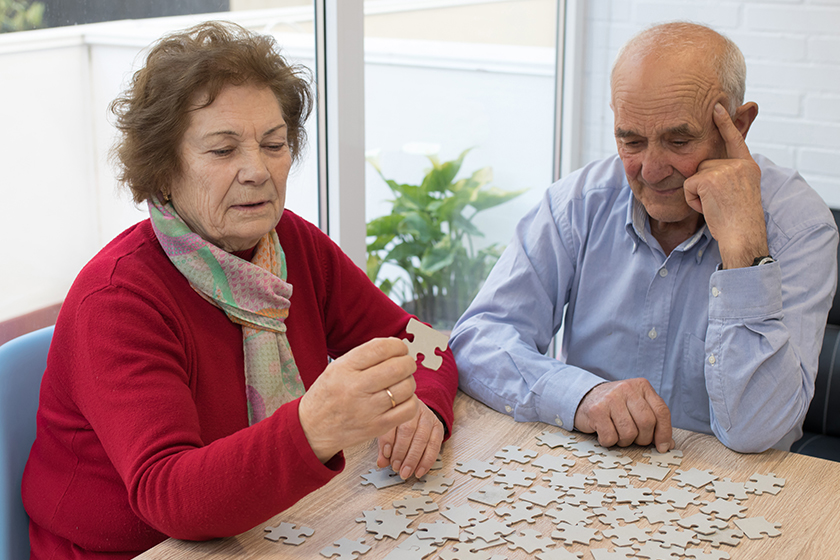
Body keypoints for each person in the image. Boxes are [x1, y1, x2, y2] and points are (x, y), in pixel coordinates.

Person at [22, 21, 457, 559]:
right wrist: (314, 427)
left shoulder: (293, 244)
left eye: (274, 144)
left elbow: (421, 344)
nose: (258, 170)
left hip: (268, 528)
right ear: (162, 169)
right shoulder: (116, 301)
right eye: (224, 150)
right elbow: (169, 496)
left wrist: (428, 410)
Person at [450, 21, 838, 456]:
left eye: (678, 140)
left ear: (739, 125)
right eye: (631, 140)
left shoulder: (799, 225)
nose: (651, 171)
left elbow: (757, 430)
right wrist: (582, 396)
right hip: (588, 473)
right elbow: (477, 340)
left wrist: (743, 250)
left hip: (738, 492)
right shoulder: (579, 202)